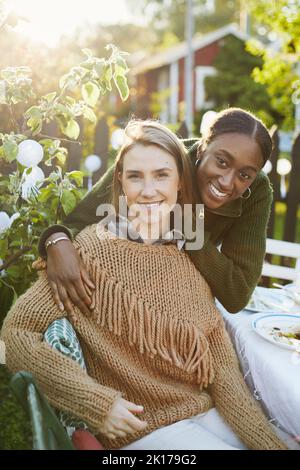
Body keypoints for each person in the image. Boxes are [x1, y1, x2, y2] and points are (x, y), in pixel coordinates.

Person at [1, 120, 286, 450]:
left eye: (162, 175)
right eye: (136, 176)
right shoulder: (89, 253)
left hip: (199, 410)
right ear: (120, 180)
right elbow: (15, 334)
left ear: (181, 182)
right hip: (140, 426)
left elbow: (221, 367)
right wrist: (93, 401)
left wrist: (268, 443)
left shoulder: (187, 259)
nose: (149, 190)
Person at [38, 108, 273, 318]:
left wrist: (186, 228)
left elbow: (237, 293)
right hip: (123, 279)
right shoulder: (155, 156)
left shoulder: (258, 191)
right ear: (202, 148)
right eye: (221, 162)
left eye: (245, 175)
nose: (226, 182)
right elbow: (79, 221)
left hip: (183, 300)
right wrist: (56, 242)